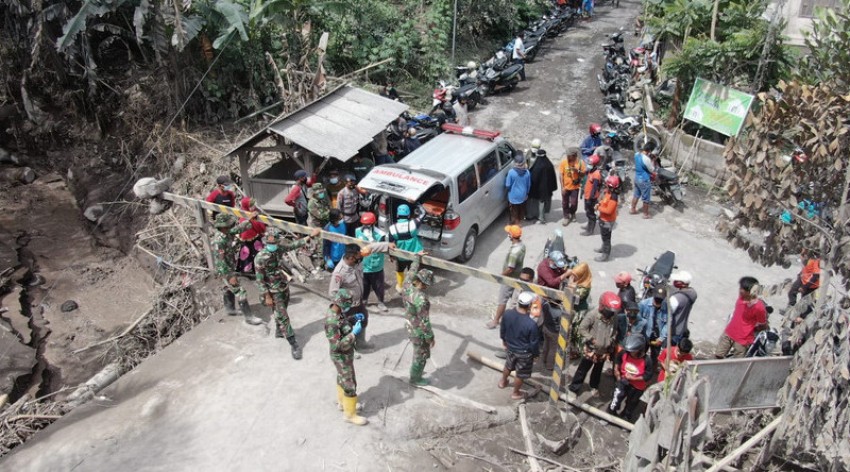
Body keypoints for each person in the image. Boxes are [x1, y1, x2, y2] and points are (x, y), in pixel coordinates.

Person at [255, 227, 321, 359]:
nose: (273, 246)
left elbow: (293, 245)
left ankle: (279, 330)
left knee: (282, 309)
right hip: (273, 291)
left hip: (283, 286)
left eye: (275, 243)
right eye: (270, 244)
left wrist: (310, 236)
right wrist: (267, 296)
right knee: (283, 316)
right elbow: (259, 279)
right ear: (266, 242)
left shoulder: (279, 249)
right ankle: (294, 344)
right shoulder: (260, 258)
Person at [325, 288, 368, 425]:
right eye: (347, 305)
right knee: (350, 383)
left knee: (342, 377)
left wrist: (352, 319)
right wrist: (353, 334)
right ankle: (350, 415)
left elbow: (341, 322)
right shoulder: (331, 321)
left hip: (345, 355)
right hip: (341, 355)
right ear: (340, 303)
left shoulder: (337, 311)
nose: (348, 308)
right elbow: (337, 345)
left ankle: (342, 403)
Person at [211, 213, 263, 325]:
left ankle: (230, 309)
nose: (231, 227)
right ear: (223, 227)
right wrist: (230, 276)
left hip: (229, 265)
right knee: (240, 291)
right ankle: (249, 317)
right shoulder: (219, 241)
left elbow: (238, 229)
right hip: (225, 270)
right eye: (229, 225)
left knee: (228, 288)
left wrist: (249, 220)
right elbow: (221, 261)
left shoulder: (227, 232)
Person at [569, 291, 621, 394]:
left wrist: (610, 343)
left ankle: (594, 385)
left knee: (598, 370)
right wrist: (592, 339)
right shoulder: (593, 315)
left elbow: (614, 331)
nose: (611, 314)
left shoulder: (614, 318)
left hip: (603, 351)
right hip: (591, 349)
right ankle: (574, 388)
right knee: (582, 370)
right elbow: (582, 329)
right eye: (609, 311)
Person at [329, 244, 373, 351]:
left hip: (359, 302)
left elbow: (372, 247)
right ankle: (349, 348)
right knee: (347, 328)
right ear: (350, 257)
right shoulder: (339, 273)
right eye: (357, 258)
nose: (360, 260)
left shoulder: (356, 262)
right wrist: (343, 308)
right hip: (348, 306)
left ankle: (361, 344)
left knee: (363, 319)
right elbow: (333, 293)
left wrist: (386, 245)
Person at [402, 253, 436, 385]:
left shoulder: (407, 284)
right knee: (421, 354)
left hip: (409, 323)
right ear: (425, 284)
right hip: (418, 331)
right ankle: (415, 378)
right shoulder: (421, 300)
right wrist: (430, 337)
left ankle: (416, 373)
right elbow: (424, 322)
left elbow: (412, 269)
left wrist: (417, 257)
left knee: (418, 350)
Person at [714, 276, 768, 358]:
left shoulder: (759, 307)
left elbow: (763, 325)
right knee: (718, 355)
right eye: (741, 288)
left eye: (744, 289)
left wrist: (751, 330)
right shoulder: (741, 297)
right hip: (729, 332)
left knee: (737, 362)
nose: (740, 290)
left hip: (743, 339)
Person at [499, 292, 539, 400]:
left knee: (508, 365)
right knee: (520, 374)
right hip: (524, 353)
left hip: (510, 348)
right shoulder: (531, 324)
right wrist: (535, 354)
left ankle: (502, 382)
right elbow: (534, 342)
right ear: (530, 305)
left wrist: (503, 340)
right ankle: (516, 393)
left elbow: (503, 328)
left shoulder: (507, 314)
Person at [487, 225, 526, 329]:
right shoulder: (522, 246)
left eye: (509, 233)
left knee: (502, 300)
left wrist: (500, 276)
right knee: (512, 300)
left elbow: (510, 269)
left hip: (509, 278)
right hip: (517, 276)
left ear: (511, 236)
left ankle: (495, 321)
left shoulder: (514, 252)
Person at [608, 334, 653, 420]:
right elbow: (617, 359)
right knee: (616, 397)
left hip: (637, 387)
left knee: (631, 403)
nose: (630, 353)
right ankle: (610, 413)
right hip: (623, 381)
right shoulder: (624, 353)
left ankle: (625, 416)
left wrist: (633, 378)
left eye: (633, 351)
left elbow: (648, 376)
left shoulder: (647, 361)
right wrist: (616, 371)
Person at [355, 212, 388, 313]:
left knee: (378, 286)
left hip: (376, 265)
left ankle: (380, 302)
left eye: (368, 224)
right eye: (364, 224)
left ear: (374, 223)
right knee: (364, 285)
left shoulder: (380, 234)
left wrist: (372, 240)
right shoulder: (357, 231)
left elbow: (383, 248)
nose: (366, 226)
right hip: (364, 265)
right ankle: (364, 301)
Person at [388, 204, 423, 292]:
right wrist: (418, 203)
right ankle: (414, 287)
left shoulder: (392, 228)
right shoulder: (413, 223)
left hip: (401, 256)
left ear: (397, 215)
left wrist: (391, 256)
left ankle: (400, 287)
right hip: (414, 254)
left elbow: (391, 244)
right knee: (413, 271)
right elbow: (423, 213)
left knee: (400, 270)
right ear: (408, 215)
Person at [527, 144, 557, 224]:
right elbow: (553, 177)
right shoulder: (549, 165)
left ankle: (530, 216)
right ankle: (541, 218)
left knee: (533, 201)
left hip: (536, 188)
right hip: (545, 189)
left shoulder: (537, 166)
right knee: (542, 202)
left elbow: (533, 177)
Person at [236, 197, 266, 275]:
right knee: (258, 255)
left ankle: (248, 271)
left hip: (245, 241)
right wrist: (262, 231)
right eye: (251, 205)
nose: (253, 206)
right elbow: (259, 227)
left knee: (246, 255)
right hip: (254, 239)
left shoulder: (242, 214)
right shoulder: (251, 216)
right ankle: (257, 271)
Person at [641, 286, 669, 365]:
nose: (657, 302)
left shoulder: (667, 309)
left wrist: (661, 338)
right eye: (656, 299)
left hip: (657, 338)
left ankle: (652, 370)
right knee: (640, 355)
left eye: (660, 300)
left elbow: (668, 324)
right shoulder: (643, 304)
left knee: (655, 357)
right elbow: (638, 320)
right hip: (644, 335)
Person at [594, 174, 620, 262]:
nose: (606, 186)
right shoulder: (609, 192)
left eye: (607, 185)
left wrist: (598, 208)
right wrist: (599, 204)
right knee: (604, 236)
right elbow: (604, 200)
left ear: (611, 186)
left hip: (608, 221)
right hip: (603, 219)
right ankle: (603, 248)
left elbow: (608, 211)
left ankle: (605, 255)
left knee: (606, 238)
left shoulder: (614, 197)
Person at [668, 271, 697, 345]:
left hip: (673, 331)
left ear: (681, 283)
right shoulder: (692, 293)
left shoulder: (675, 298)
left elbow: (668, 316)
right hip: (682, 329)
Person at [559, 148, 586, 226]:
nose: (567, 156)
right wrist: (562, 187)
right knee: (565, 203)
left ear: (574, 156)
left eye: (569, 155)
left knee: (574, 203)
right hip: (566, 187)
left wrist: (576, 171)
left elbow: (583, 174)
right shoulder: (564, 162)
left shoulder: (580, 163)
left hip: (575, 187)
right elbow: (561, 175)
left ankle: (572, 212)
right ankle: (566, 217)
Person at [630, 142, 656, 219]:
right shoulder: (646, 159)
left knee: (636, 195)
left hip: (637, 178)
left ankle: (632, 209)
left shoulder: (636, 154)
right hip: (644, 179)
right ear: (650, 150)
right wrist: (653, 160)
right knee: (646, 198)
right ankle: (645, 214)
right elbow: (652, 170)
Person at [506, 153, 531, 225]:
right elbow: (528, 185)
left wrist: (509, 190)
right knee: (521, 208)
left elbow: (507, 185)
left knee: (514, 211)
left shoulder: (511, 172)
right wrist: (527, 193)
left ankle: (516, 223)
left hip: (513, 196)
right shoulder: (527, 172)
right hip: (523, 195)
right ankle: (520, 219)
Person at [581, 154, 603, 236]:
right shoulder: (590, 171)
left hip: (591, 197)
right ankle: (588, 225)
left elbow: (594, 188)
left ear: (595, 164)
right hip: (587, 196)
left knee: (591, 214)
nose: (588, 165)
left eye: (590, 164)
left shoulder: (596, 174)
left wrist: (590, 199)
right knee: (587, 211)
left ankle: (590, 230)